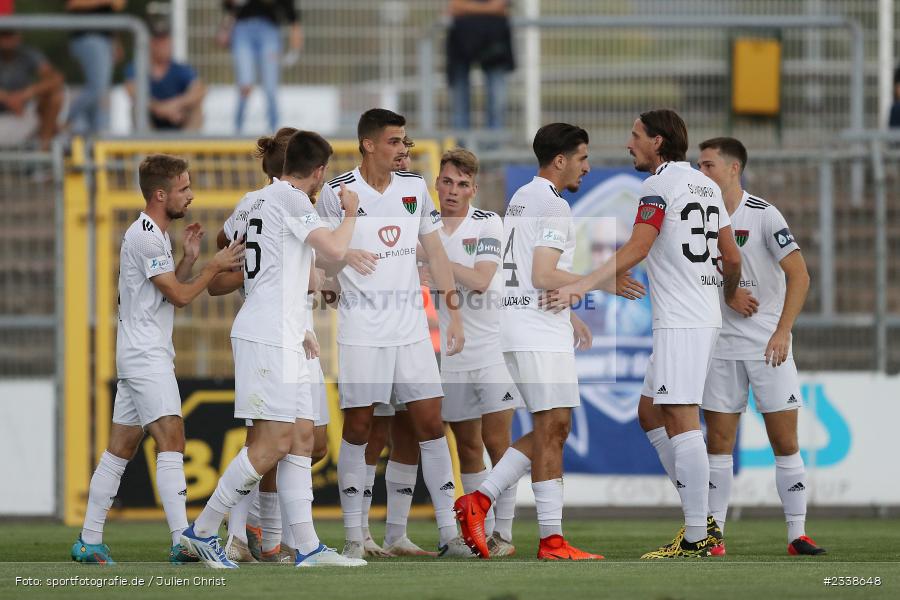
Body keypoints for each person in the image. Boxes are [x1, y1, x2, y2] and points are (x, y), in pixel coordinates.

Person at [543, 110, 744, 558]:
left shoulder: (658, 185)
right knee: (651, 412)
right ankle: (703, 518)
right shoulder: (707, 185)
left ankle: (699, 534)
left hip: (681, 320)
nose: (628, 144)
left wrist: (582, 283)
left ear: (657, 141)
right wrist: (725, 295)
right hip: (698, 314)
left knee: (679, 415)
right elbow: (731, 257)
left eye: (635, 137)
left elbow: (638, 245)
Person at [181, 131, 365, 569]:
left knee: (301, 439)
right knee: (272, 443)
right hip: (267, 334)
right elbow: (335, 248)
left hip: (285, 330)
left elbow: (267, 262)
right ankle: (203, 531)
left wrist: (299, 323)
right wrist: (352, 212)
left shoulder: (252, 200)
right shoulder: (294, 200)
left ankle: (308, 548)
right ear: (319, 172)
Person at [454, 123, 638, 560]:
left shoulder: (523, 196)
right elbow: (542, 273)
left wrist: (572, 308)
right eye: (582, 157)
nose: (587, 167)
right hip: (537, 328)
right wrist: (603, 281)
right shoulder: (553, 206)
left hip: (523, 324)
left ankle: (484, 504)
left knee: (552, 428)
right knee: (553, 429)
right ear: (560, 160)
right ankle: (541, 535)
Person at [70, 154, 245, 565]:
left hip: (138, 352)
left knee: (120, 448)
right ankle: (182, 538)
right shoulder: (146, 236)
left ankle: (89, 540)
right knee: (172, 437)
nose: (191, 195)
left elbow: (167, 293)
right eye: (184, 189)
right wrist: (213, 265)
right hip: (145, 354)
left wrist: (187, 260)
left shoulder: (154, 236)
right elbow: (182, 297)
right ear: (161, 194)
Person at [316, 108, 470, 559]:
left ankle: (449, 533)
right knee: (362, 426)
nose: (404, 148)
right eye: (395, 141)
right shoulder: (337, 192)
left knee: (428, 422)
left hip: (411, 329)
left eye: (405, 141)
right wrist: (342, 260)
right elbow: (319, 258)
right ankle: (352, 536)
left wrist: (452, 313)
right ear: (369, 144)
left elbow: (435, 253)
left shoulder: (414, 188)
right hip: (362, 329)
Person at [696, 137, 824, 556]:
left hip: (768, 346)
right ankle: (713, 535)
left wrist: (782, 331)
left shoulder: (764, 215)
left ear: (734, 169)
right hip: (719, 345)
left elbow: (799, 276)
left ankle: (797, 533)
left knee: (785, 441)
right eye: (699, 165)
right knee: (718, 444)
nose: (702, 172)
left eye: (709, 165)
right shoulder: (699, 218)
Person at [431, 148, 522, 557]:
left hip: (493, 347)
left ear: (474, 189)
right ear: (437, 183)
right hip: (453, 351)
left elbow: (482, 280)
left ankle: (504, 532)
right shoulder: (426, 226)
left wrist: (432, 261)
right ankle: (476, 533)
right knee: (467, 445)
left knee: (498, 441)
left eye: (462, 184)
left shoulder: (488, 222)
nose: (453, 191)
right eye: (447, 182)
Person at [220, 0, 303, 133]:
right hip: (242, 30)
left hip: (269, 32)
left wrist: (293, 53)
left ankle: (275, 135)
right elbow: (228, 7)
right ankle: (237, 131)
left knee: (270, 88)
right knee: (245, 84)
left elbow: (293, 18)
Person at [125, 20, 206, 131]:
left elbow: (200, 90)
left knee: (196, 109)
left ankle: (187, 146)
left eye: (165, 41)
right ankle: (146, 146)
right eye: (158, 41)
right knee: (137, 109)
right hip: (153, 119)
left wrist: (175, 105)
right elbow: (132, 91)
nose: (162, 46)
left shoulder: (180, 69)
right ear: (150, 43)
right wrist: (159, 109)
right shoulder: (138, 68)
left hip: (178, 117)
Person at [446, 0, 515, 130]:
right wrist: (489, 9)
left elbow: (499, 5)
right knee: (459, 101)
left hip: (494, 40)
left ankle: (494, 146)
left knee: (497, 99)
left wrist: (467, 8)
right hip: (461, 39)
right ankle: (461, 147)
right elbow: (455, 6)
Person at [65, 0, 124, 136]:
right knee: (97, 89)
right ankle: (67, 119)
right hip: (88, 37)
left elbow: (111, 13)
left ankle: (96, 135)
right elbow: (73, 4)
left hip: (104, 39)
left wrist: (115, 41)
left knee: (101, 92)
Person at [0, 30, 64, 150]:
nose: (7, 39)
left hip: (25, 111)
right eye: (3, 34)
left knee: (55, 97)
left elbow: (56, 78)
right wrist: (7, 99)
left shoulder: (27, 54)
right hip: (5, 112)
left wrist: (26, 94)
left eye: (10, 34)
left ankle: (43, 150)